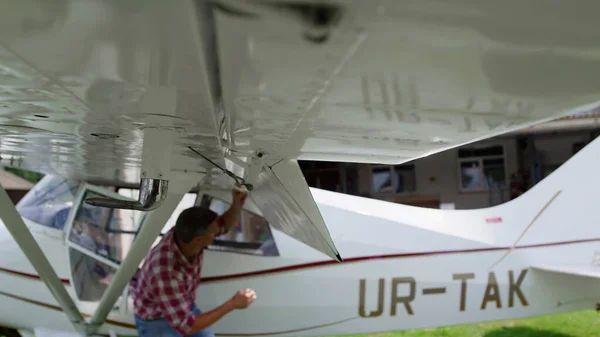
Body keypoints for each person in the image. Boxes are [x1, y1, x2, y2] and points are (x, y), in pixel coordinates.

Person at [130, 189, 256, 337]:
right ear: (198, 240)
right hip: (156, 320)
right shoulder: (166, 271)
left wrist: (237, 204)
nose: (217, 234)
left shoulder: (186, 236)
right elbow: (187, 326)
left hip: (182, 305)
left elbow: (222, 225)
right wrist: (232, 304)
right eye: (213, 233)